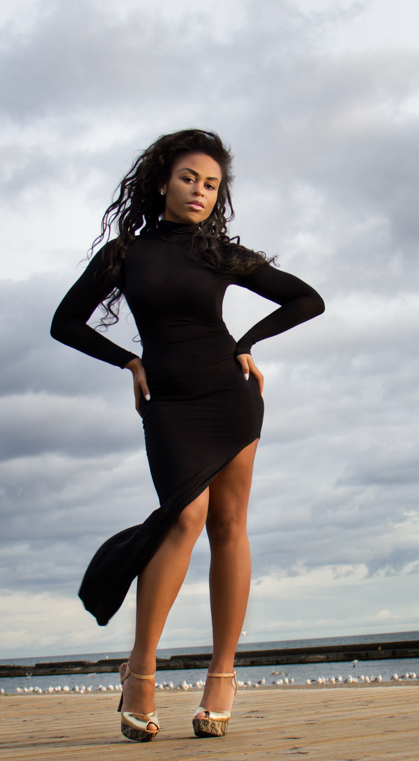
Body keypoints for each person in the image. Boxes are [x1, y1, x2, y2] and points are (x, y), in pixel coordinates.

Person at [51, 129, 324, 742]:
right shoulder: (125, 254)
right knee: (184, 517)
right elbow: (64, 322)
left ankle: (222, 675)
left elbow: (307, 300)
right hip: (170, 402)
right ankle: (140, 668)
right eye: (189, 178)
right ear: (161, 183)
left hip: (230, 396)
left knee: (228, 524)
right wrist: (129, 361)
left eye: (212, 184)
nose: (200, 191)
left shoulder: (219, 253)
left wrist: (247, 343)